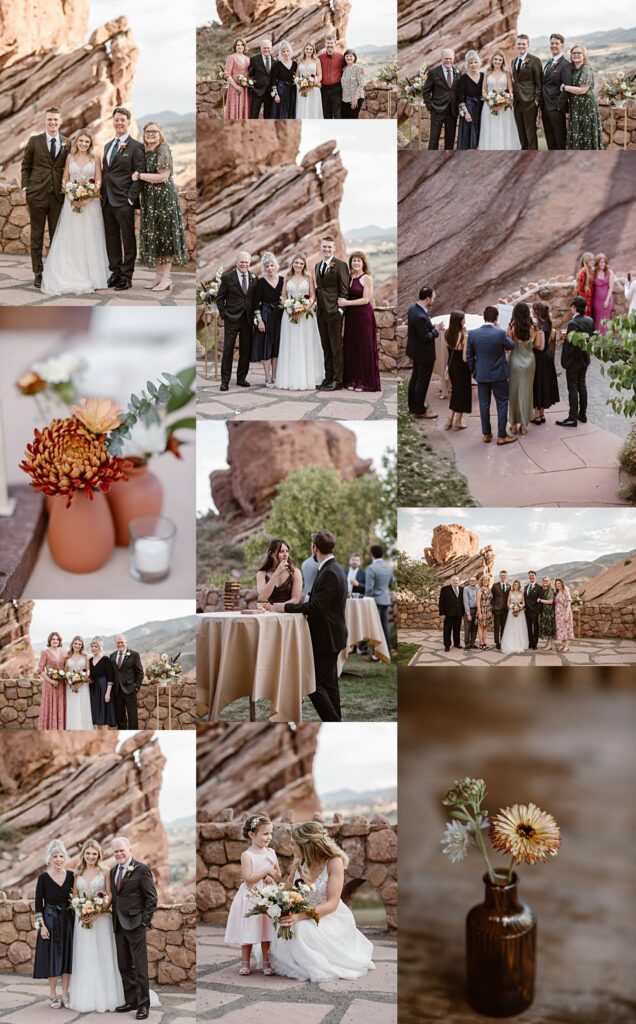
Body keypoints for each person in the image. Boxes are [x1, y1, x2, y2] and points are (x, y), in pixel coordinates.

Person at [270, 822, 375, 981]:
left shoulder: (334, 862)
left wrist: (299, 916)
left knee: (301, 929)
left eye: (293, 844)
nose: (290, 847)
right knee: (282, 924)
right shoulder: (300, 862)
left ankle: (311, 963)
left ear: (307, 845)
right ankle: (293, 959)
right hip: (301, 911)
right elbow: (287, 891)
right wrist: (277, 900)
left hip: (327, 915)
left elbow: (332, 904)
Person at [268, 530, 348, 722]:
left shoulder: (329, 571)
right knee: (329, 685)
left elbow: (316, 606)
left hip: (327, 638)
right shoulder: (334, 568)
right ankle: (337, 723)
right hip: (332, 636)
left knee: (311, 685)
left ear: (315, 548)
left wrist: (285, 607)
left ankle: (333, 721)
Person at [41, 129, 109, 295]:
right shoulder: (70, 158)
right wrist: (71, 196)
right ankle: (71, 271)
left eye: (87, 142)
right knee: (72, 236)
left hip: (90, 204)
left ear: (90, 144)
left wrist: (89, 196)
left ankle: (93, 275)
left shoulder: (95, 158)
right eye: (81, 141)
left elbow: (98, 180)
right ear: (76, 142)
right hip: (70, 203)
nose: (83, 144)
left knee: (89, 237)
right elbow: (65, 178)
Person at [67, 839, 124, 1012]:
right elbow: (75, 895)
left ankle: (108, 997)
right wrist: (82, 911)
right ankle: (86, 997)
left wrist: (98, 911)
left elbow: (109, 895)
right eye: (88, 853)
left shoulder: (105, 871)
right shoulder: (77, 873)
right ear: (83, 854)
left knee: (103, 954)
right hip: (82, 920)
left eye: (94, 853)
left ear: (99, 854)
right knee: (85, 956)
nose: (91, 856)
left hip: (101, 921)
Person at [133, 121, 188, 292]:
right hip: (150, 199)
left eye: (154, 131)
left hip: (164, 198)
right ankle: (158, 277)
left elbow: (163, 176)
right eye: (148, 131)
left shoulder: (163, 149)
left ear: (160, 134)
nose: (151, 134)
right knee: (156, 237)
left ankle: (167, 278)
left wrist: (140, 175)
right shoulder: (145, 150)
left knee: (166, 237)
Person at [225, 814, 282, 976]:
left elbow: (278, 875)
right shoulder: (247, 855)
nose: (269, 837)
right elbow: (249, 878)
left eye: (270, 833)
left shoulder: (271, 852)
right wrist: (266, 871)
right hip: (252, 896)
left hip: (269, 895)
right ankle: (245, 962)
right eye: (265, 833)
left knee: (266, 930)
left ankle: (266, 961)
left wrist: (272, 876)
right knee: (249, 929)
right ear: (251, 835)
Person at [110, 836, 158, 1020]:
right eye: (116, 851)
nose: (119, 854)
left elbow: (152, 898)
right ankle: (131, 1001)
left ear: (130, 850)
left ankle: (143, 1005)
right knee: (124, 966)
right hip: (118, 925)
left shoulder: (142, 869)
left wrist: (143, 921)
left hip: (135, 924)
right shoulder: (113, 871)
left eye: (122, 850)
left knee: (140, 967)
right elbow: (117, 898)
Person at [21, 107, 69, 289]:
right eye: (50, 120)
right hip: (37, 195)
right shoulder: (34, 141)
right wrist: (26, 186)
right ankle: (38, 272)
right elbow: (25, 165)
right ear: (45, 121)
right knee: (37, 235)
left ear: (60, 121)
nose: (53, 123)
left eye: (56, 120)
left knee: (57, 236)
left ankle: (55, 270)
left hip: (58, 196)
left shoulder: (68, 143)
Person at [101, 107, 145, 291]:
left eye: (122, 120)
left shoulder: (136, 146)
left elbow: (140, 174)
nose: (119, 123)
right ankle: (116, 272)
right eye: (116, 120)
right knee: (111, 239)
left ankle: (127, 277)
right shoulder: (108, 145)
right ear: (113, 121)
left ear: (128, 122)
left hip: (123, 201)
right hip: (106, 201)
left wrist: (130, 199)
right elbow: (107, 172)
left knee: (127, 239)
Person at [466, 306, 517, 444]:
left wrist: (474, 372)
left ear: (484, 317)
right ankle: (501, 435)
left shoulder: (473, 334)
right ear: (496, 318)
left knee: (484, 404)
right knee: (502, 403)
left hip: (481, 374)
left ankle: (486, 434)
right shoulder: (499, 333)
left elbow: (469, 356)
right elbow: (512, 346)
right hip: (499, 375)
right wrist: (502, 330)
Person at [34, 840, 75, 1009]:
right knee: (52, 958)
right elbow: (38, 905)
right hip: (49, 921)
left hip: (68, 921)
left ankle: (65, 993)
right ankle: (52, 994)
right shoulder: (43, 878)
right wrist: (42, 926)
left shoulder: (72, 875)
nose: (58, 859)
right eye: (55, 856)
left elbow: (76, 898)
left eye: (61, 856)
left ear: (65, 858)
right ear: (49, 859)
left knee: (67, 957)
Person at [276, 253, 325, 390]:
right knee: (291, 344)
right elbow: (283, 295)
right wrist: (289, 308)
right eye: (296, 263)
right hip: (289, 316)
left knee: (306, 344)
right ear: (292, 263)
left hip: (306, 317)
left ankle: (308, 378)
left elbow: (313, 296)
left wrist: (304, 309)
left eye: (301, 263)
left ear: (304, 265)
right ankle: (290, 378)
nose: (298, 265)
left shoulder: (309, 277)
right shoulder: (287, 277)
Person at [339, 251, 381, 392]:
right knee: (352, 348)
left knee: (364, 348)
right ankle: (352, 380)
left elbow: (366, 300)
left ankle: (364, 382)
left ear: (363, 263)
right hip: (351, 317)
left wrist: (346, 303)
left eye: (358, 261)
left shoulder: (367, 278)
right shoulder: (349, 277)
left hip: (364, 316)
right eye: (354, 260)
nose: (356, 263)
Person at [217, 252, 257, 391]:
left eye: (247, 262)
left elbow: (253, 299)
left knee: (245, 351)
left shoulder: (254, 277)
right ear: (237, 263)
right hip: (232, 319)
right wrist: (224, 314)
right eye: (242, 262)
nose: (244, 264)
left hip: (247, 319)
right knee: (228, 350)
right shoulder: (228, 277)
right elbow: (220, 298)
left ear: (249, 264)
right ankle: (225, 381)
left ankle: (241, 378)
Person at [314, 236, 349, 390]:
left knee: (336, 347)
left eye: (329, 247)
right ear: (320, 248)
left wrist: (340, 310)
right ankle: (328, 378)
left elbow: (344, 290)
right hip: (321, 312)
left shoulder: (340, 265)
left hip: (334, 312)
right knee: (326, 347)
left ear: (334, 248)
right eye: (324, 247)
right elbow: (319, 289)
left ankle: (337, 380)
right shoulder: (317, 265)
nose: (327, 249)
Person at [556, 296, 593, 427]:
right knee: (582, 385)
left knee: (572, 388)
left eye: (572, 306)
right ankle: (582, 415)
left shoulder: (572, 323)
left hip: (574, 362)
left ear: (574, 308)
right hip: (584, 359)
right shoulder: (590, 320)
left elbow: (570, 347)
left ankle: (572, 418)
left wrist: (565, 362)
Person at [507, 301, 543, 435]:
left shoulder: (512, 328)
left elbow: (507, 346)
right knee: (527, 393)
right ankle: (524, 425)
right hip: (529, 363)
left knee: (514, 392)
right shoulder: (534, 329)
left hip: (515, 362)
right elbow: (539, 346)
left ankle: (514, 424)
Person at [406, 285, 440, 418]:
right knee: (422, 381)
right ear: (427, 299)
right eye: (433, 298)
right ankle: (419, 410)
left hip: (415, 351)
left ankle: (413, 406)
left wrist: (432, 327)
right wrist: (436, 331)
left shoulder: (412, 307)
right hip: (424, 353)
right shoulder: (420, 315)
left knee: (415, 378)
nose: (434, 300)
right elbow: (425, 337)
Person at [251, 251, 284, 387]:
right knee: (266, 347)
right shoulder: (261, 282)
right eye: (267, 266)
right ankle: (267, 377)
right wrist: (259, 320)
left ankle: (275, 377)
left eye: (272, 265)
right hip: (265, 315)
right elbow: (255, 302)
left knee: (276, 347)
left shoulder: (283, 280)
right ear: (263, 268)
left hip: (280, 316)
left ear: (276, 266)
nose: (270, 268)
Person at [563, 44, 603, 150]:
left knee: (586, 133)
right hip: (576, 106)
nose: (576, 55)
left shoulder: (586, 69)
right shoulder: (571, 69)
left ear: (584, 55)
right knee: (577, 132)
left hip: (586, 106)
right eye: (574, 53)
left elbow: (582, 90)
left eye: (579, 53)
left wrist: (564, 87)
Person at [478, 50, 520, 151]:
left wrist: (504, 101)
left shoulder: (506, 73)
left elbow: (510, 89)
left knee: (504, 129)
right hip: (488, 107)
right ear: (492, 60)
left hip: (504, 107)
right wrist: (489, 102)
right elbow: (484, 90)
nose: (497, 61)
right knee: (490, 129)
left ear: (503, 61)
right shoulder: (487, 73)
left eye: (500, 60)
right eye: (495, 59)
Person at [511, 34, 543, 150]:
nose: (521, 46)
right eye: (519, 43)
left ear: (528, 45)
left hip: (530, 102)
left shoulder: (535, 60)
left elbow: (539, 83)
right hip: (517, 103)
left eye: (523, 44)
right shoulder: (514, 61)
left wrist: (536, 101)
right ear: (516, 45)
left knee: (531, 135)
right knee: (521, 135)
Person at [423, 49, 459, 150]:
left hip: (452, 111)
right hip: (437, 111)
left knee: (450, 140)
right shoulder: (434, 72)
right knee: (434, 139)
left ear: (453, 59)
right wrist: (430, 106)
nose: (448, 61)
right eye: (446, 58)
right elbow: (425, 91)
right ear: (441, 59)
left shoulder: (457, 72)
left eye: (450, 58)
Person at [541, 33, 572, 150]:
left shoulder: (565, 65)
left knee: (560, 139)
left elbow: (567, 87)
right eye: (552, 43)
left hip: (556, 109)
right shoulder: (549, 62)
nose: (554, 45)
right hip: (545, 107)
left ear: (562, 45)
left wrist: (558, 106)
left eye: (556, 43)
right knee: (550, 138)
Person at [531, 301, 560, 423]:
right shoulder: (548, 322)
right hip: (547, 356)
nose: (531, 312)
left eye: (532, 310)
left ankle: (536, 415)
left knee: (538, 384)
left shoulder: (539, 327)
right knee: (544, 384)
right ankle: (542, 414)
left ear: (536, 312)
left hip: (539, 358)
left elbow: (538, 345)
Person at [364, 545, 394, 656]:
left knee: (374, 627)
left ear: (372, 554)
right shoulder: (389, 567)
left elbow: (369, 589)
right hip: (385, 599)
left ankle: (374, 653)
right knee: (385, 626)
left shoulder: (371, 568)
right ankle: (387, 650)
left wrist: (366, 600)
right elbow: (391, 583)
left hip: (374, 601)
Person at [444, 310, 471, 429]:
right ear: (460, 321)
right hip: (462, 368)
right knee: (462, 394)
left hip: (452, 366)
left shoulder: (447, 333)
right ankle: (457, 422)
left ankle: (449, 420)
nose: (465, 321)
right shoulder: (464, 337)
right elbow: (465, 358)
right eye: (463, 319)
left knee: (455, 392)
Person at [110, 634, 144, 729]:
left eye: (122, 642)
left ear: (126, 643)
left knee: (132, 717)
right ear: (115, 644)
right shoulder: (112, 656)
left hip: (130, 690)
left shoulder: (134, 655)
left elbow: (140, 673)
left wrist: (136, 688)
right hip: (117, 691)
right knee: (120, 717)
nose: (120, 644)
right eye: (118, 643)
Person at [36, 630, 67, 730]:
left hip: (61, 685)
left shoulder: (63, 653)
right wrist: (51, 681)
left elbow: (66, 668)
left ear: (59, 641)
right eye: (53, 639)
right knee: (50, 706)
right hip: (50, 685)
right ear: (50, 640)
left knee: (60, 706)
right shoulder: (45, 653)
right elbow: (40, 670)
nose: (55, 641)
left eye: (57, 639)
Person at [257, 538, 303, 604]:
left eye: (287, 551)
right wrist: (277, 573)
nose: (285, 554)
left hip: (288, 612)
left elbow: (295, 600)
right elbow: (262, 598)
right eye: (281, 551)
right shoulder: (262, 574)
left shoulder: (295, 572)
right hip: (268, 613)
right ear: (272, 554)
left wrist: (277, 607)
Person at [457, 51, 484, 149]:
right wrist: (466, 113)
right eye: (471, 62)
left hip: (481, 109)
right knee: (468, 136)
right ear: (467, 64)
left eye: (475, 62)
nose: (473, 65)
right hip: (469, 108)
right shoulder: (464, 78)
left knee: (481, 133)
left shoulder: (483, 76)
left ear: (479, 63)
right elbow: (460, 97)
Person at [88, 636, 116, 729]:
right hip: (93, 690)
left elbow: (110, 677)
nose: (93, 648)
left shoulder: (105, 660)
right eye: (92, 646)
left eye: (95, 646)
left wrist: (107, 693)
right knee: (96, 717)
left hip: (104, 689)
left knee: (104, 716)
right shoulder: (89, 661)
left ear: (100, 647)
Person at [65, 635, 93, 730]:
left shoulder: (85, 656)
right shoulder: (67, 657)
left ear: (82, 646)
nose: (77, 645)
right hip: (70, 687)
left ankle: (84, 727)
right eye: (75, 643)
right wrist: (70, 684)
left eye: (79, 644)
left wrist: (81, 683)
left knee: (83, 705)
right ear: (72, 644)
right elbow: (65, 672)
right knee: (73, 707)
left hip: (83, 686)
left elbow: (87, 671)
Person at [318, 34, 346, 118]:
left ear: (335, 44)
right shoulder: (319, 58)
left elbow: (348, 67)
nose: (329, 45)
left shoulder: (341, 57)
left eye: (331, 43)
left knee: (337, 114)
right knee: (326, 115)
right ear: (325, 44)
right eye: (328, 43)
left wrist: (358, 70)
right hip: (323, 90)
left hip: (336, 89)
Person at [223, 38, 251, 120]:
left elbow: (249, 74)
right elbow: (227, 74)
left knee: (244, 109)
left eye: (242, 45)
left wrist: (246, 84)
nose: (240, 46)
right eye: (238, 45)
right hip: (234, 88)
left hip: (244, 89)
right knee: (234, 109)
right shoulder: (231, 57)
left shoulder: (248, 59)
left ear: (244, 46)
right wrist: (236, 86)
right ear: (235, 46)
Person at [270, 41, 298, 119]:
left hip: (292, 91)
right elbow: (273, 81)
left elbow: (297, 77)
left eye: (287, 51)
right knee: (281, 113)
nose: (286, 53)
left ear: (290, 51)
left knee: (291, 112)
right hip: (281, 90)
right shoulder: (277, 64)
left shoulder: (295, 64)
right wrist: (276, 95)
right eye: (284, 51)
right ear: (281, 53)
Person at [500, 580, 529, 654]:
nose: (516, 586)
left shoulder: (522, 592)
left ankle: (521, 643)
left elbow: (523, 602)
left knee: (519, 627)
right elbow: (508, 602)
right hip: (511, 612)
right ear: (513, 585)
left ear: (519, 586)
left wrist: (519, 608)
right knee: (511, 627)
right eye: (515, 584)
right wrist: (511, 607)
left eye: (517, 584)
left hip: (520, 612)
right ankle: (511, 642)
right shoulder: (510, 592)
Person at [248, 39, 274, 119]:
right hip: (257, 92)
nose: (266, 50)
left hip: (270, 93)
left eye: (268, 48)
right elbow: (249, 75)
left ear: (271, 48)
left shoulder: (275, 60)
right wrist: (252, 88)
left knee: (268, 116)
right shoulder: (254, 59)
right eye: (264, 48)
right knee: (253, 115)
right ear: (261, 48)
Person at [296, 42, 324, 118]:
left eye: (311, 49)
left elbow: (320, 75)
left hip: (314, 89)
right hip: (302, 90)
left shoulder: (316, 60)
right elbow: (297, 76)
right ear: (304, 50)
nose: (309, 51)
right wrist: (301, 86)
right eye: (307, 49)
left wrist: (312, 84)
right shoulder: (300, 61)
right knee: (303, 109)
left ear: (313, 50)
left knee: (313, 109)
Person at [438, 575, 463, 651]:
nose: (455, 582)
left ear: (459, 581)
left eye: (456, 580)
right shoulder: (445, 589)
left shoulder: (462, 589)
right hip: (448, 614)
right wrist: (442, 613)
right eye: (454, 580)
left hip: (458, 614)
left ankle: (456, 643)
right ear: (451, 581)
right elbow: (441, 602)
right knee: (447, 630)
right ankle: (447, 645)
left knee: (457, 630)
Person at [591, 253, 615, 334]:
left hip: (606, 300)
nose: (603, 264)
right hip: (596, 301)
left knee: (605, 320)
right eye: (601, 262)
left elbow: (611, 287)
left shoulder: (609, 272)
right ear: (597, 263)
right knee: (597, 319)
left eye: (604, 262)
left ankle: (606, 338)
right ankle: (598, 338)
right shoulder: (594, 272)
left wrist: (607, 300)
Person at [341, 49, 365, 119]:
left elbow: (362, 83)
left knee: (353, 119)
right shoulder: (344, 69)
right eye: (347, 56)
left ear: (354, 58)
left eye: (351, 56)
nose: (349, 58)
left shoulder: (358, 68)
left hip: (355, 98)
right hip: (345, 99)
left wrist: (355, 98)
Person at [524, 571, 544, 651]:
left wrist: (538, 611)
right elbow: (525, 599)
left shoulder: (539, 587)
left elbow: (540, 599)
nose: (531, 577)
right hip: (527, 611)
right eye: (530, 576)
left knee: (535, 628)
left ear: (535, 576)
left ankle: (535, 644)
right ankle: (530, 642)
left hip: (535, 612)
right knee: (528, 628)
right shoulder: (526, 587)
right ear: (528, 577)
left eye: (533, 576)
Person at [490, 571, 510, 650]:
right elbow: (491, 598)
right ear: (499, 576)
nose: (503, 577)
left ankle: (503, 641)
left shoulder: (509, 586)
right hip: (497, 610)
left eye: (504, 576)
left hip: (506, 610)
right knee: (497, 627)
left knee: (504, 627)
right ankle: (497, 642)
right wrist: (493, 607)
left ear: (506, 576)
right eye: (502, 576)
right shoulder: (495, 586)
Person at [554, 578, 575, 652]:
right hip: (558, 615)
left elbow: (569, 603)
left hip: (564, 612)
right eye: (556, 584)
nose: (558, 585)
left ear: (562, 584)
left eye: (559, 583)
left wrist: (567, 614)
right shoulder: (557, 593)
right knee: (561, 630)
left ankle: (566, 646)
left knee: (565, 629)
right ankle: (563, 645)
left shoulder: (565, 591)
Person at [476, 574, 493, 650]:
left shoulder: (489, 589)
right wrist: (479, 613)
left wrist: (490, 610)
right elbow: (478, 602)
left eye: (486, 580)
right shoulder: (480, 590)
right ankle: (481, 643)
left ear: (488, 581)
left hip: (488, 610)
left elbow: (490, 600)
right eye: (484, 580)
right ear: (481, 581)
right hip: (482, 610)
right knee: (480, 627)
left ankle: (484, 642)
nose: (485, 581)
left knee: (485, 627)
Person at [538, 577, 556, 650]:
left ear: (549, 582)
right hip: (544, 611)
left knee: (549, 628)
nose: (545, 582)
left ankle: (550, 645)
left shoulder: (550, 590)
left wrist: (540, 600)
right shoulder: (544, 590)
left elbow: (550, 601)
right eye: (544, 580)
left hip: (549, 612)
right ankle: (548, 643)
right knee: (547, 627)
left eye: (547, 581)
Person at [463, 575, 479, 650]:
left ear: (476, 581)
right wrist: (468, 614)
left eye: (474, 580)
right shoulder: (466, 589)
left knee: (475, 628)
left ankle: (472, 643)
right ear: (469, 582)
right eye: (471, 580)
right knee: (467, 628)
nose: (473, 582)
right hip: (469, 610)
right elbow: (465, 602)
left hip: (476, 610)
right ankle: (467, 644)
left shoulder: (478, 588)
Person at [577, 252, 595, 316]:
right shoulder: (583, 272)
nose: (592, 262)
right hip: (585, 301)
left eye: (593, 260)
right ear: (586, 261)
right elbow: (580, 289)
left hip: (590, 300)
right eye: (590, 260)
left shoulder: (591, 271)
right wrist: (584, 304)